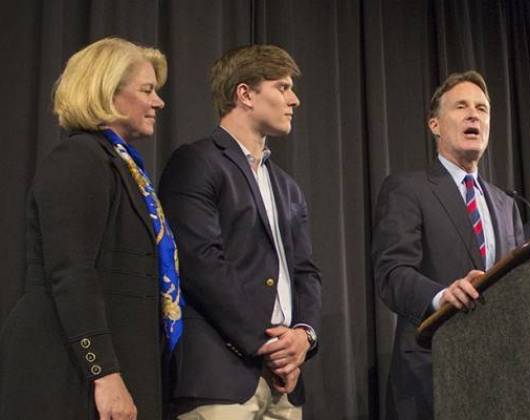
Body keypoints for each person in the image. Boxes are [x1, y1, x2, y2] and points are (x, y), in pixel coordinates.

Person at [0, 37, 179, 419]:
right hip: (69, 375)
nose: (158, 102)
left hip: (109, 368)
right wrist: (105, 374)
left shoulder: (119, 165)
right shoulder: (78, 158)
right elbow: (72, 271)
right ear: (107, 93)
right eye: (147, 90)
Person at [159, 44, 322, 420]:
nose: (294, 99)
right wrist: (269, 343)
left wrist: (303, 337)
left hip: (283, 382)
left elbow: (306, 273)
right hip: (221, 377)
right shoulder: (196, 161)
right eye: (282, 87)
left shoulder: (287, 186)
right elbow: (201, 264)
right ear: (244, 94)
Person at [372, 71, 525, 420]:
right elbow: (392, 274)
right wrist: (442, 298)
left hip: (501, 381)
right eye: (461, 106)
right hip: (432, 371)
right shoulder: (407, 189)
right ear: (435, 125)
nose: (474, 115)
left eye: (482, 109)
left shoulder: (507, 204)